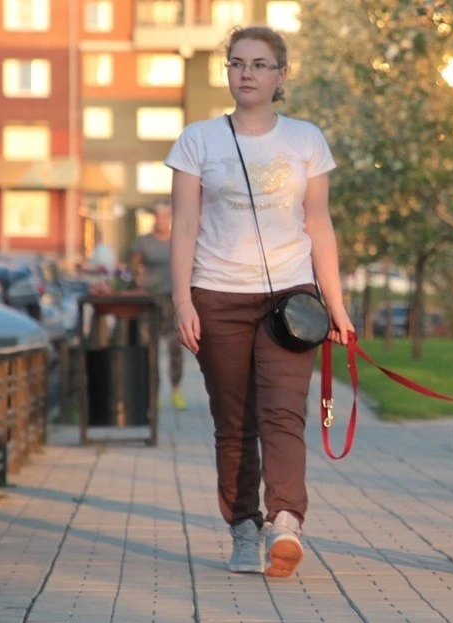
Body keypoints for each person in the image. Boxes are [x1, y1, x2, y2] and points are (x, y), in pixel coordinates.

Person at [165, 25, 353, 578]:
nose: (246, 73)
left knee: (283, 414)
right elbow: (183, 230)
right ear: (227, 72)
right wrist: (182, 303)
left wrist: (336, 306)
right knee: (234, 422)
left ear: (280, 76)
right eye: (237, 63)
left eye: (259, 64)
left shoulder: (305, 140)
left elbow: (318, 225)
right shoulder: (198, 140)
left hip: (290, 302)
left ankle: (286, 522)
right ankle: (243, 528)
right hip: (216, 296)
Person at [131, 199, 186, 411]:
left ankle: (176, 390)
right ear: (154, 218)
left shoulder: (179, 239)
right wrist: (138, 283)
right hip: (151, 300)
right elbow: (133, 269)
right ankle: (154, 394)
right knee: (151, 347)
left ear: (170, 219)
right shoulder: (143, 242)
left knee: (175, 347)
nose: (161, 220)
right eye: (158, 216)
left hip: (173, 299)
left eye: (165, 216)